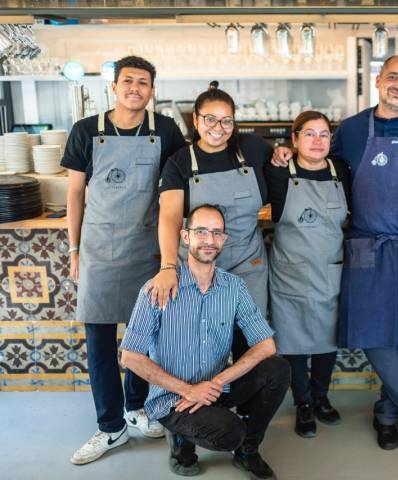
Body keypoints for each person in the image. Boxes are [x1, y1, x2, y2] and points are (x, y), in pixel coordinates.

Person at [274, 54, 398, 450]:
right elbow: (321, 165)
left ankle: (388, 412)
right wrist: (286, 155)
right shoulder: (353, 130)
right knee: (371, 331)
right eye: (393, 77)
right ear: (379, 80)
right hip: (365, 245)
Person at [63, 56, 187, 465]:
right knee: (99, 344)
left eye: (144, 82)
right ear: (114, 87)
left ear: (152, 90)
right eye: (129, 81)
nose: (136, 88)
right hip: (98, 251)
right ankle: (110, 426)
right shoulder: (85, 131)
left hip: (145, 248)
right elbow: (75, 194)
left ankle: (135, 408)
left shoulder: (165, 130)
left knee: (143, 339)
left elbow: (184, 178)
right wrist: (75, 249)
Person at [120, 204, 290, 479]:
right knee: (229, 432)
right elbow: (130, 357)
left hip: (215, 387)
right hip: (173, 397)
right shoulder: (157, 288)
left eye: (216, 233)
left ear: (223, 239)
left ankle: (248, 451)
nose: (209, 240)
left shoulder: (234, 287)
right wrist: (188, 390)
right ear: (186, 237)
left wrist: (217, 383)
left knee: (278, 369)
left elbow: (266, 346)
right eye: (201, 232)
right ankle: (179, 444)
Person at [146, 83, 272, 361]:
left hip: (246, 263)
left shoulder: (252, 149)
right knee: (197, 339)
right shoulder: (179, 162)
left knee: (249, 341)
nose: (219, 127)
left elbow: (283, 164)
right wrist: (168, 267)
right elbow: (169, 217)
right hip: (196, 268)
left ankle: (246, 403)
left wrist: (285, 154)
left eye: (227, 120)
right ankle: (200, 400)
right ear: (196, 120)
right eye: (210, 119)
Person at [265, 111, 351, 438]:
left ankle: (321, 397)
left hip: (330, 269)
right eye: (310, 134)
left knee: (328, 340)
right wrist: (275, 153)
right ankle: (302, 403)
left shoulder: (340, 171)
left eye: (324, 135)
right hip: (291, 273)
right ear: (295, 138)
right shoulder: (278, 173)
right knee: (294, 342)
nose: (318, 141)